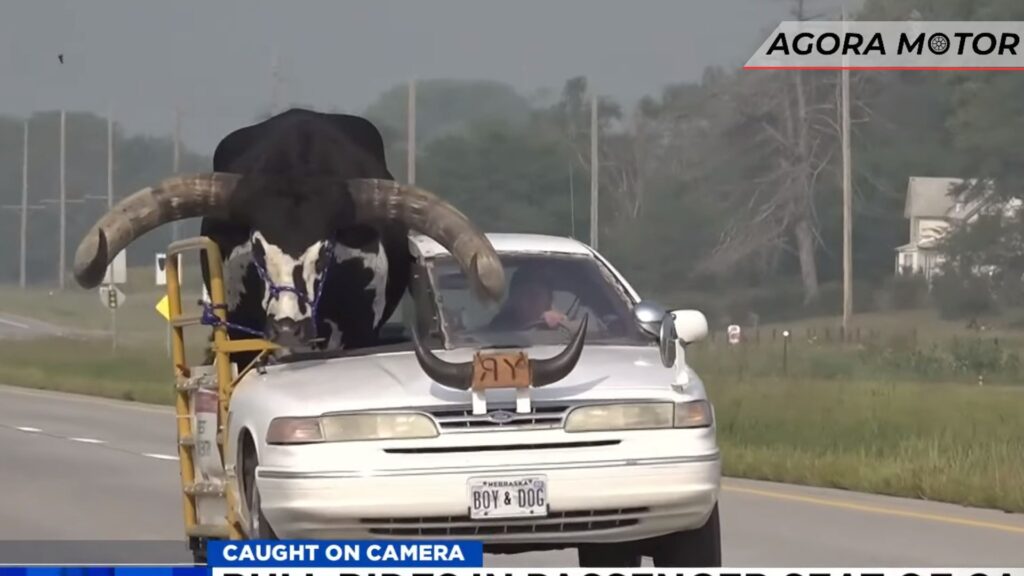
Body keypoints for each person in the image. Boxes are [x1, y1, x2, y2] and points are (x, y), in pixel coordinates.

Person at [488, 267, 568, 330]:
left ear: (548, 300)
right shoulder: (499, 328)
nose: (531, 300)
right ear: (514, 300)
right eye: (524, 294)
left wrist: (562, 325)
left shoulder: (559, 327)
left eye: (536, 295)